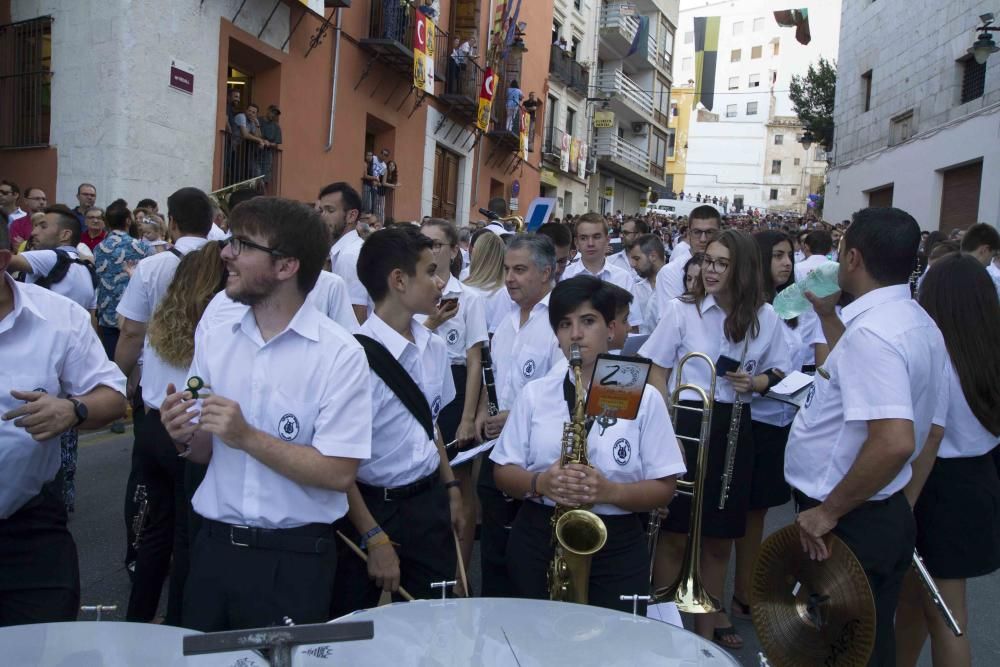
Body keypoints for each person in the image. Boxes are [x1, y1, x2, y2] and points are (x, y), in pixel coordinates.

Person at [160, 197, 371, 631]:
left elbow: (338, 472)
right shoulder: (217, 336)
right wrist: (183, 434)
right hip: (214, 548)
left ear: (285, 266)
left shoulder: (340, 354)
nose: (225, 254)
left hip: (294, 559)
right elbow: (202, 452)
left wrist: (247, 436)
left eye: (242, 244)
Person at [784, 207, 947, 667]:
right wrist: (829, 315)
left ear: (853, 258)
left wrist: (829, 512)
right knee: (863, 644)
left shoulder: (876, 332)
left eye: (840, 250)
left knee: (843, 650)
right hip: (869, 512)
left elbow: (895, 440)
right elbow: (850, 372)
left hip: (849, 519)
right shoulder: (909, 320)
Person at [491, 275, 685, 613]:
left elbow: (665, 486)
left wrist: (610, 492)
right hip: (540, 535)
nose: (576, 334)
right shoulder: (536, 394)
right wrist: (540, 483)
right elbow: (503, 472)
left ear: (611, 329)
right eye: (565, 324)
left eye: (588, 321)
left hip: (617, 541)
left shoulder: (644, 396)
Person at [642, 229, 792, 649]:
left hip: (733, 426)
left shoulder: (765, 317)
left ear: (741, 269)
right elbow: (656, 368)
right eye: (708, 260)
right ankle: (665, 634)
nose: (710, 269)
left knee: (718, 540)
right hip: (684, 422)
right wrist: (663, 420)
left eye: (722, 263)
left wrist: (757, 380)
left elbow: (783, 369)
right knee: (672, 532)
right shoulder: (680, 310)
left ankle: (704, 640)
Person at [0, 221, 126, 626]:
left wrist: (73, 410)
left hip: (27, 530)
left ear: (4, 262)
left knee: (40, 647)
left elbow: (112, 396)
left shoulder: (57, 317)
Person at [330, 226, 461, 615]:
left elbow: (431, 423)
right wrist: (373, 536)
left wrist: (450, 486)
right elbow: (340, 464)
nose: (440, 282)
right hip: (371, 508)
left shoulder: (435, 347)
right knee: (355, 622)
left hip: (428, 504)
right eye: (431, 271)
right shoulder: (351, 359)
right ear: (399, 280)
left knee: (434, 619)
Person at [895, 253, 1000, 667]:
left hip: (938, 486)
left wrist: (903, 503)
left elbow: (931, 437)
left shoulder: (941, 353)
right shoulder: (987, 352)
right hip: (978, 480)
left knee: (946, 615)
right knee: (918, 602)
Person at [731, 231, 828, 619]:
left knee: (762, 513)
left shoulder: (804, 307)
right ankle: (741, 591)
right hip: (748, 416)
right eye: (777, 256)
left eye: (790, 255)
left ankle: (751, 589)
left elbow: (822, 362)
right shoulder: (744, 307)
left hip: (785, 421)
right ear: (757, 260)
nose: (787, 263)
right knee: (740, 512)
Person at [475, 234, 563, 597]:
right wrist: (483, 411)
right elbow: (492, 374)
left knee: (527, 560)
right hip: (498, 451)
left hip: (536, 459)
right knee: (493, 552)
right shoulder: (506, 317)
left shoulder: (560, 321)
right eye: (507, 269)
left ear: (546, 272)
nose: (510, 278)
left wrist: (514, 417)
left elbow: (559, 391)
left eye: (520, 270)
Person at [417, 219, 488, 589]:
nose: (431, 251)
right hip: (421, 386)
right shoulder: (412, 293)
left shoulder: (470, 297)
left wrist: (467, 416)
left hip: (457, 385)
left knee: (460, 484)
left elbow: (475, 359)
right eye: (424, 244)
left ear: (452, 250)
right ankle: (434, 567)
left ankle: (461, 577)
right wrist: (431, 320)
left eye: (437, 244)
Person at [561, 213, 642, 329]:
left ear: (607, 240)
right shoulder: (565, 277)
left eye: (596, 237)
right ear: (576, 242)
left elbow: (633, 325)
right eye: (584, 238)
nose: (590, 243)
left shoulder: (624, 278)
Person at [316, 182, 368, 324]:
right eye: (321, 211)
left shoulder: (350, 257)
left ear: (351, 216)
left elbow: (356, 319)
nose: (323, 217)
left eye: (330, 210)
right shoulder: (342, 253)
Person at [655, 205, 720, 310]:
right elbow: (672, 319)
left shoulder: (727, 268)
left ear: (719, 233)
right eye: (697, 232)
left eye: (709, 232)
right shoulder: (671, 272)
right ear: (689, 234)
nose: (703, 239)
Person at [627, 233, 666, 332]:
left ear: (653, 256)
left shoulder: (677, 284)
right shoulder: (635, 287)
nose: (632, 264)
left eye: (637, 259)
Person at [959, 222, 1000, 298]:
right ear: (984, 250)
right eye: (992, 256)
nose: (989, 264)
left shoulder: (939, 270)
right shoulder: (980, 282)